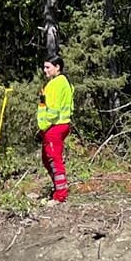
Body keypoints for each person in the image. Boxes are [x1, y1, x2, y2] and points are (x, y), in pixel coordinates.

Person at [37, 57, 74, 203]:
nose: (45, 70)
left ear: (57, 67)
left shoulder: (56, 84)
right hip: (60, 125)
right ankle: (58, 188)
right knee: (47, 159)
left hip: (55, 126)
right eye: (44, 67)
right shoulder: (65, 83)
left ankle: (60, 195)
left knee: (54, 159)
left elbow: (53, 110)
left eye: (48, 67)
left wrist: (43, 127)